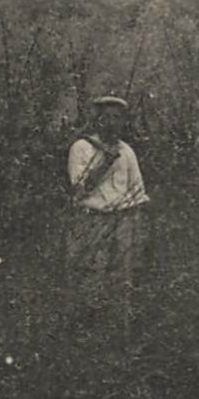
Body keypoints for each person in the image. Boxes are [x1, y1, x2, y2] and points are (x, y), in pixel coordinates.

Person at [66, 95, 149, 294]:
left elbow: (137, 192)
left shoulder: (127, 151)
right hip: (92, 220)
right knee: (92, 276)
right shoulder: (81, 148)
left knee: (122, 279)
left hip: (122, 222)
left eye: (117, 118)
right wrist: (105, 162)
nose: (112, 123)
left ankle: (119, 322)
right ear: (98, 120)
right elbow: (79, 188)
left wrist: (137, 229)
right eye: (107, 118)